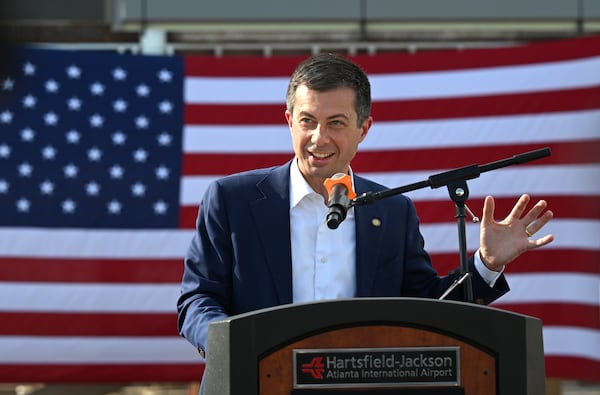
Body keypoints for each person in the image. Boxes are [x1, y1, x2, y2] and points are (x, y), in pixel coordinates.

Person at [177, 53, 554, 361]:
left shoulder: (393, 211)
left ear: (365, 128)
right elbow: (197, 298)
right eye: (307, 121)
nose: (318, 138)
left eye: (336, 123)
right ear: (290, 121)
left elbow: (428, 309)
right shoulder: (231, 200)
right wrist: (229, 347)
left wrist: (485, 265)